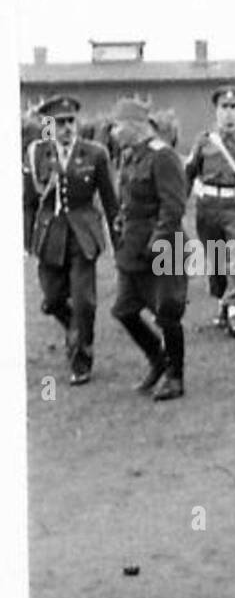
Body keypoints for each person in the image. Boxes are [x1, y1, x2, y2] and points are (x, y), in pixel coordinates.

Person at [22, 96, 119, 385]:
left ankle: (82, 360)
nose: (66, 128)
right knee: (52, 300)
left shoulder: (94, 153)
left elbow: (110, 201)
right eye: (59, 122)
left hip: (83, 234)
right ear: (47, 124)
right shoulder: (37, 153)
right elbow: (28, 200)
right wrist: (26, 242)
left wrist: (118, 242)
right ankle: (73, 330)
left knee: (84, 301)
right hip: (50, 234)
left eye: (70, 121)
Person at [108, 99, 189, 401]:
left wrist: (158, 241)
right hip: (133, 248)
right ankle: (158, 360)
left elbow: (174, 205)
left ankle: (175, 377)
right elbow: (127, 199)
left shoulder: (163, 156)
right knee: (125, 310)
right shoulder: (129, 157)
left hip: (164, 247)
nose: (114, 132)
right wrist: (120, 220)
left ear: (134, 126)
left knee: (168, 312)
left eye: (118, 125)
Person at [184, 86, 235, 338]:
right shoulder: (204, 141)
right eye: (224, 108)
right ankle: (224, 302)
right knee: (217, 263)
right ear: (216, 111)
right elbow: (188, 175)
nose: (229, 114)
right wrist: (177, 207)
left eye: (234, 108)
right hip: (208, 208)